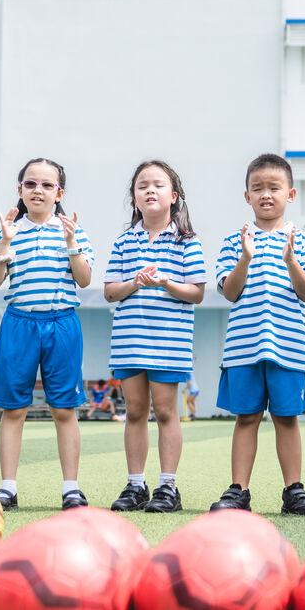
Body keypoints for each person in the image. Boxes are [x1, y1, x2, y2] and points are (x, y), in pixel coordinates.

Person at [210, 154, 305, 516]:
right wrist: (245, 258)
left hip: (288, 348)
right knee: (246, 417)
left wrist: (291, 260)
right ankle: (238, 490)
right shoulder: (234, 241)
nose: (266, 195)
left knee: (286, 418)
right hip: (244, 348)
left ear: (290, 194)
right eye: (257, 188)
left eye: (274, 188)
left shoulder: (302, 241)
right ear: (247, 196)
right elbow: (229, 292)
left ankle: (294, 490)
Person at [0, 158, 92, 511]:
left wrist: (73, 241)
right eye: (30, 184)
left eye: (47, 185)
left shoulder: (71, 228)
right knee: (13, 409)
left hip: (62, 323)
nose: (38, 191)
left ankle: (71, 488)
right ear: (20, 190)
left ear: (59, 192)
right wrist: (3, 245)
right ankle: (8, 488)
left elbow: (85, 278)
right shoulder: (8, 229)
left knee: (65, 409)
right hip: (19, 323)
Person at [104, 160, 206, 514]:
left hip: (169, 341)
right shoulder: (123, 241)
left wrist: (165, 282)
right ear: (134, 197)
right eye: (142, 185)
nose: (150, 190)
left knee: (165, 411)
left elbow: (196, 292)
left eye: (158, 185)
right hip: (130, 341)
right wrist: (135, 281)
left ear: (173, 196)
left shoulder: (186, 243)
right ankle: (136, 485)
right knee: (134, 411)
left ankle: (167, 487)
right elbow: (110, 292)